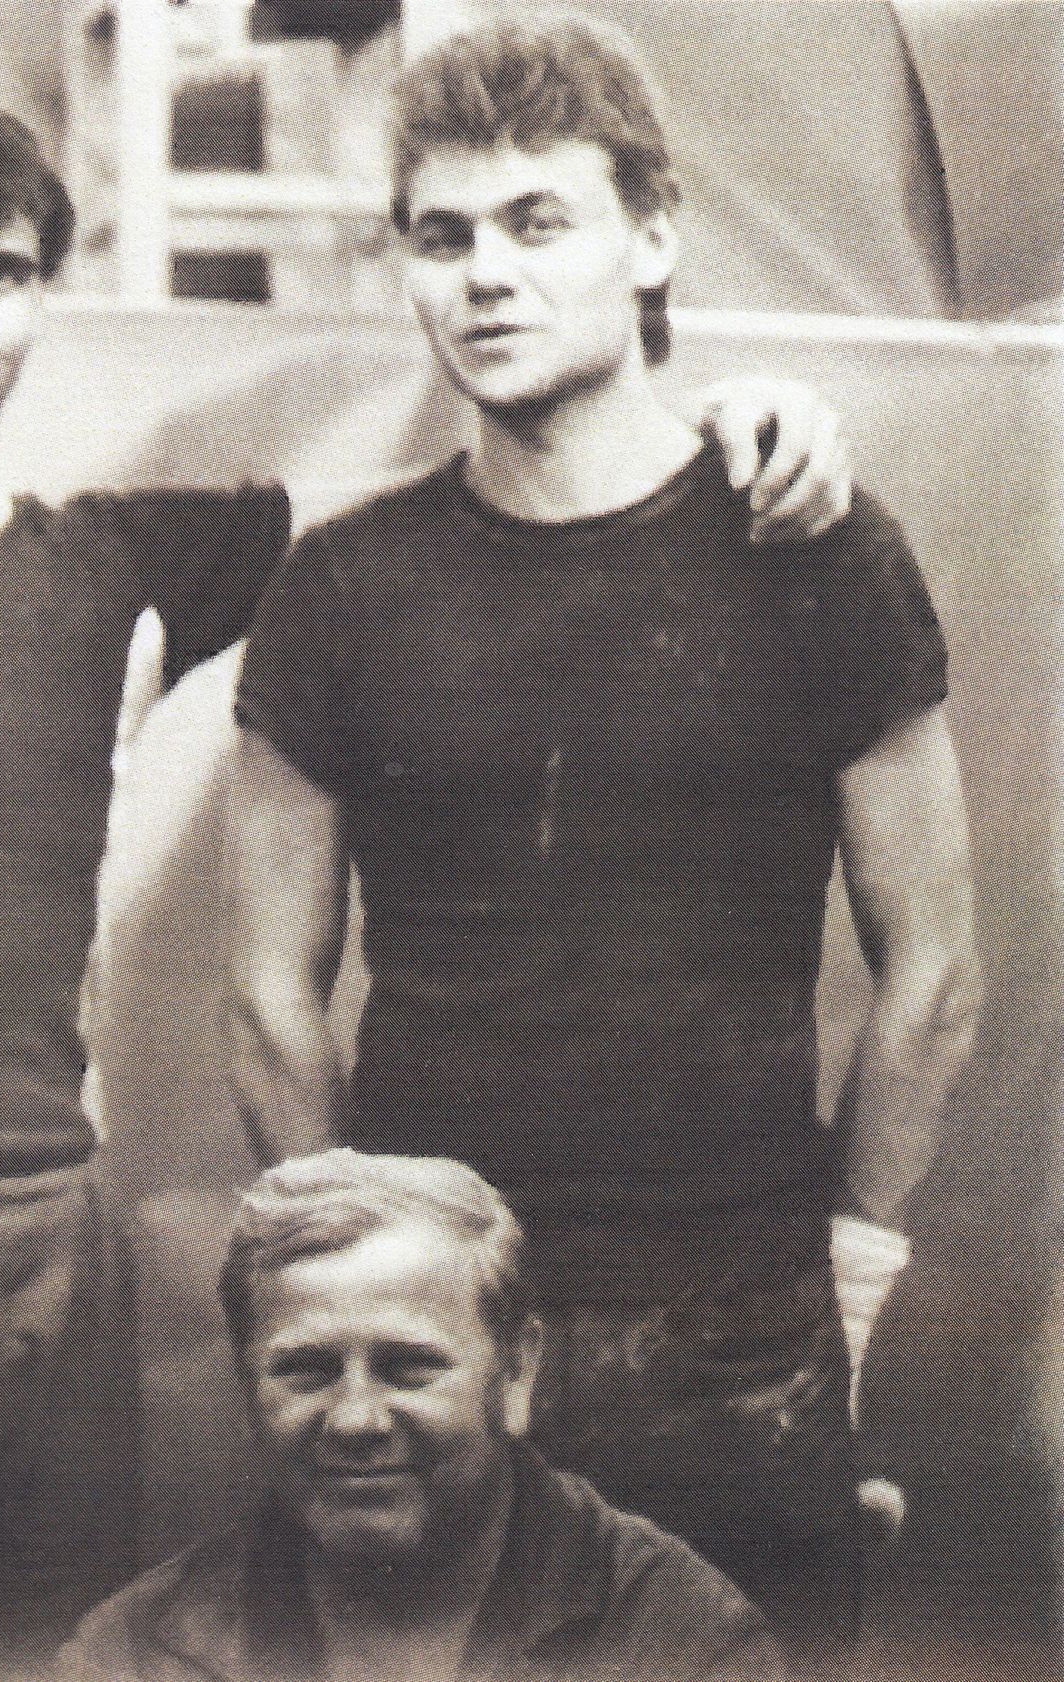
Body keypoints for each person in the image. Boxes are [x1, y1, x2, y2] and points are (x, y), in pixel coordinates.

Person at [0, 87, 851, 1682]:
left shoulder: (125, 562)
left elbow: (529, 492)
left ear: (41, 303)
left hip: (40, 1233)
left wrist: (743, 412)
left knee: (58, 1658)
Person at [223, 15, 982, 1666]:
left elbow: (932, 973)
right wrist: (362, 1286)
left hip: (741, 1326)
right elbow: (269, 1001)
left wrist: (845, 1289)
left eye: (535, 222)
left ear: (651, 236)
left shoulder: (819, 551)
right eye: (443, 236)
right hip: (441, 1336)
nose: (484, 274)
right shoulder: (341, 588)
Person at [59, 1150, 785, 1682]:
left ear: (516, 1371)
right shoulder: (132, 1653)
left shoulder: (682, 1638)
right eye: (305, 1370)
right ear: (248, 1385)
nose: (354, 1420)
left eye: (409, 1367)